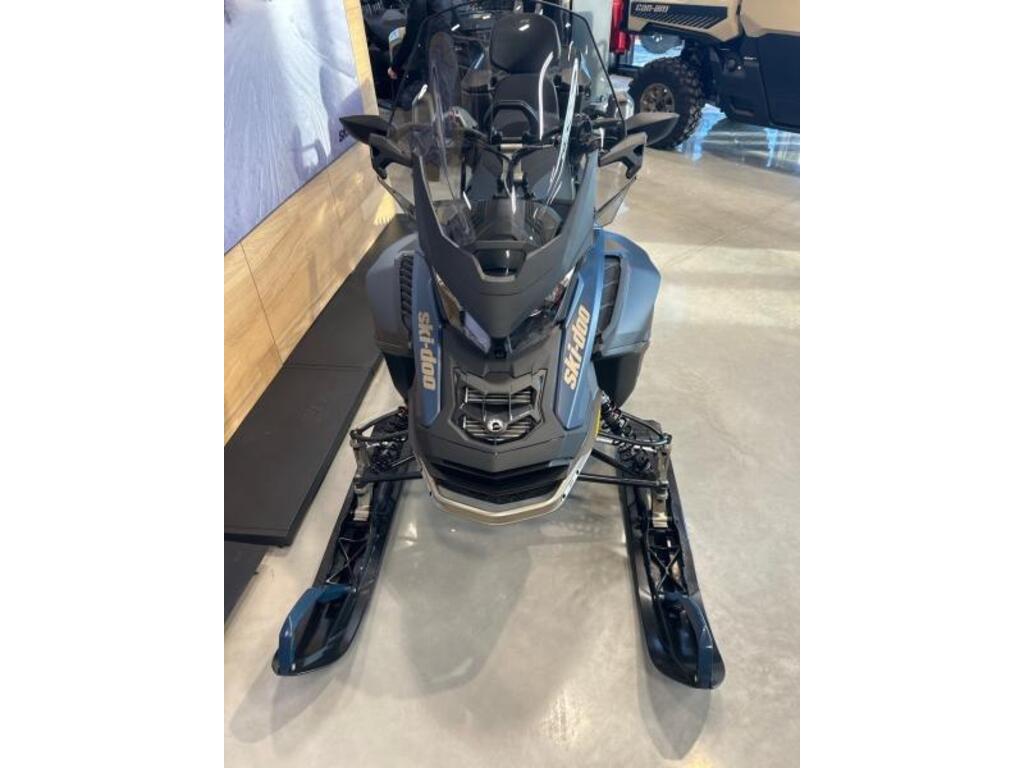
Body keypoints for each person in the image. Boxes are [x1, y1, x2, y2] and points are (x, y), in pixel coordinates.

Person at [388, 0, 455, 81]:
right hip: (450, 50)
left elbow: (411, 37)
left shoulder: (418, 3)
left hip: (434, 57)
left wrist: (395, 67)